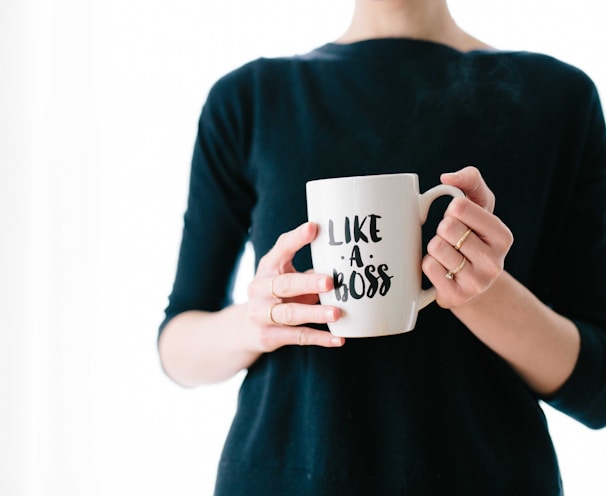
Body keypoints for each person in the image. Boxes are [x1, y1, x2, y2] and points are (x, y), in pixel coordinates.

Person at [158, 0, 606, 494]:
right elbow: (178, 345)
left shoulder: (558, 99)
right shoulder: (250, 99)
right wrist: (256, 321)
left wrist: (484, 294)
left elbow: (597, 388)